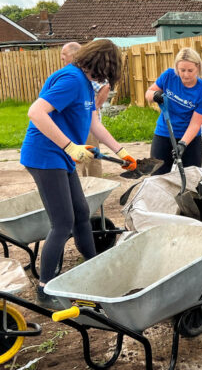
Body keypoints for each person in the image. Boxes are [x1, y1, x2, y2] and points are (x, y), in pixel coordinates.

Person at [20, 39, 137, 309]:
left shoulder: (85, 84)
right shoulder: (71, 80)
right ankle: (45, 288)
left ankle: (93, 266)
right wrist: (69, 145)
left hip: (60, 157)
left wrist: (120, 152)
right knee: (62, 222)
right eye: (107, 71)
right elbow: (36, 112)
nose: (106, 78)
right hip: (45, 156)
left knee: (81, 214)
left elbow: (93, 121)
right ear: (99, 64)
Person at [144, 47, 202, 174]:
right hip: (164, 133)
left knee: (192, 177)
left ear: (198, 67)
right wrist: (155, 95)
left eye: (190, 70)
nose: (186, 74)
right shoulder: (169, 76)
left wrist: (183, 144)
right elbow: (148, 93)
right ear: (177, 68)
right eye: (182, 70)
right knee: (157, 175)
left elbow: (195, 124)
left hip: (190, 138)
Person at [62, 43, 112, 178]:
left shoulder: (85, 73)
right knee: (78, 159)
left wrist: (93, 108)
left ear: (73, 55)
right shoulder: (72, 75)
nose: (61, 58)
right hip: (75, 125)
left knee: (91, 158)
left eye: (64, 55)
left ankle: (96, 185)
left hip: (88, 125)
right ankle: (82, 187)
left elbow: (105, 86)